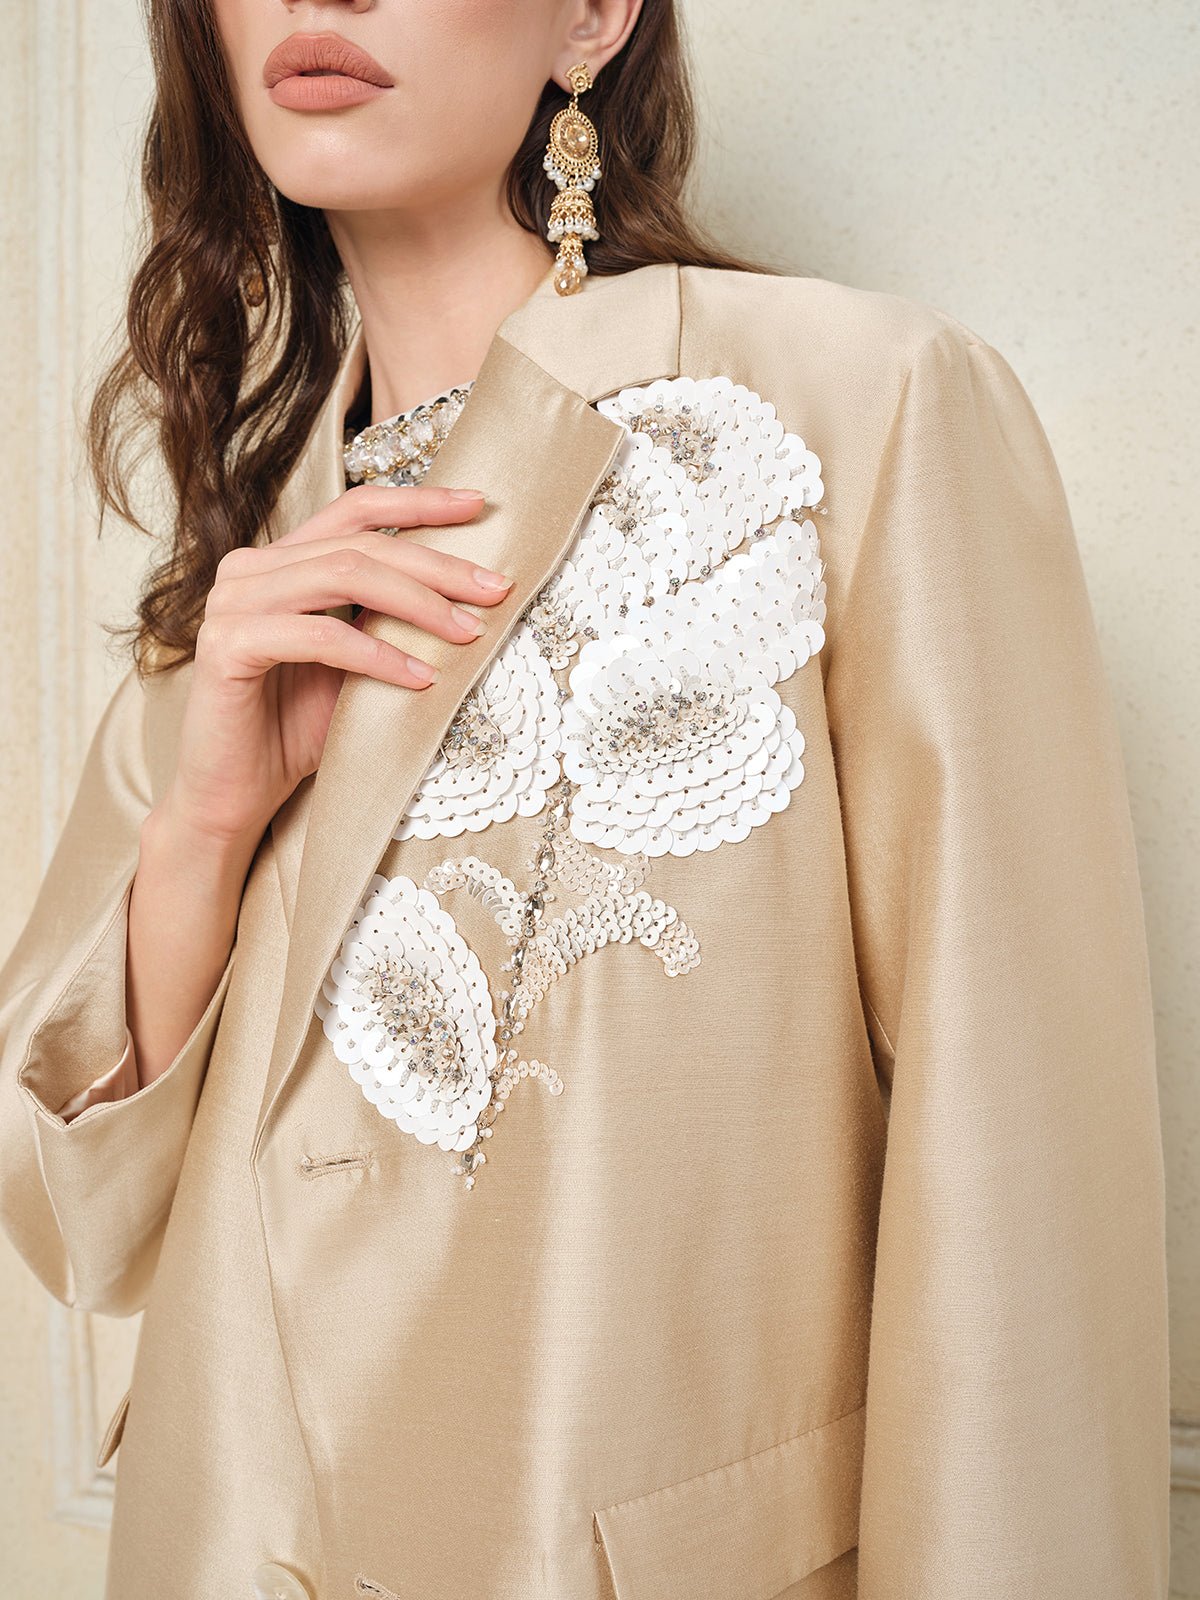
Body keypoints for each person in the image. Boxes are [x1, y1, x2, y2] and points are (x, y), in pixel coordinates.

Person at [0, 1, 1171, 1597]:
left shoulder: (859, 407)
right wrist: (205, 822)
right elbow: (80, 1226)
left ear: (593, 15)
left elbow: (1016, 1181)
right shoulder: (239, 588)